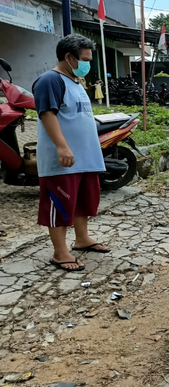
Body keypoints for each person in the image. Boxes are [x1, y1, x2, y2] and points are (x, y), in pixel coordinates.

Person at [33, 34, 109, 272]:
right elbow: (47, 114)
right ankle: (60, 252)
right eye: (84, 59)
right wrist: (62, 146)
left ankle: (82, 239)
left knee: (82, 201)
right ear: (68, 57)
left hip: (85, 158)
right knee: (60, 203)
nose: (87, 64)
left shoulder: (74, 82)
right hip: (63, 159)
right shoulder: (50, 80)